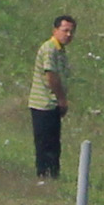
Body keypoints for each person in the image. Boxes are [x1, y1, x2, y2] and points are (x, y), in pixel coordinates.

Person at [29, 13, 75, 180]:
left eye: (71, 31)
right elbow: (51, 77)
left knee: (54, 144)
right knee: (45, 144)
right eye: (65, 30)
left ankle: (53, 175)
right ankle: (44, 175)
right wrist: (62, 99)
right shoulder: (49, 49)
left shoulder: (59, 50)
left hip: (52, 104)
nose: (68, 35)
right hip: (43, 104)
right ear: (55, 30)